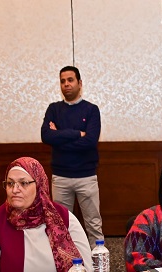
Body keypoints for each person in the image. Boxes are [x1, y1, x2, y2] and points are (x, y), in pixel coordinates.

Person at [41, 65, 103, 248]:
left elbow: (90, 142)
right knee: (60, 225)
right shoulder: (53, 109)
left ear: (79, 83)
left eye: (70, 80)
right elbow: (46, 136)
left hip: (86, 177)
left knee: (93, 224)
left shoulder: (91, 110)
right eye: (62, 81)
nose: (66, 84)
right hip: (60, 178)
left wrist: (59, 137)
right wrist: (77, 134)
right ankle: (64, 260)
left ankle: (96, 260)